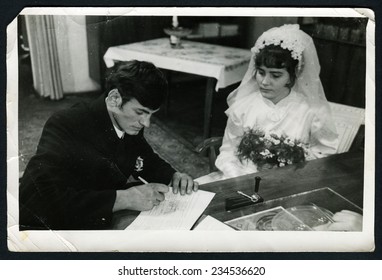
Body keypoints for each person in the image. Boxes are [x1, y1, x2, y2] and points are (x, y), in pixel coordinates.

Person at [19, 60, 199, 230]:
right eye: (140, 112)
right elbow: (37, 200)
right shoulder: (65, 124)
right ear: (114, 99)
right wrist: (124, 198)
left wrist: (172, 175)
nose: (146, 123)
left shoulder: (126, 122)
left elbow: (142, 156)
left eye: (151, 114)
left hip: (102, 217)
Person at [212, 24, 339, 180]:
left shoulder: (313, 111)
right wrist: (237, 179)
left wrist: (289, 167)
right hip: (243, 177)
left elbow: (325, 154)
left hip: (292, 180)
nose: (265, 82)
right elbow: (229, 150)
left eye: (276, 75)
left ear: (293, 76)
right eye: (261, 73)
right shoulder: (243, 106)